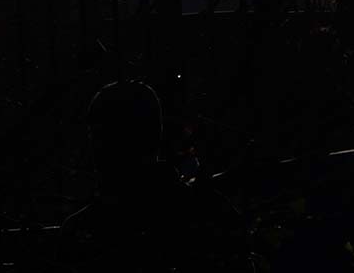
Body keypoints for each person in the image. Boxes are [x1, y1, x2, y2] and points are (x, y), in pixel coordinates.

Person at [58, 81, 251, 272]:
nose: (95, 148)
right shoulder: (208, 213)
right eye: (96, 136)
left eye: (103, 135)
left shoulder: (83, 230)